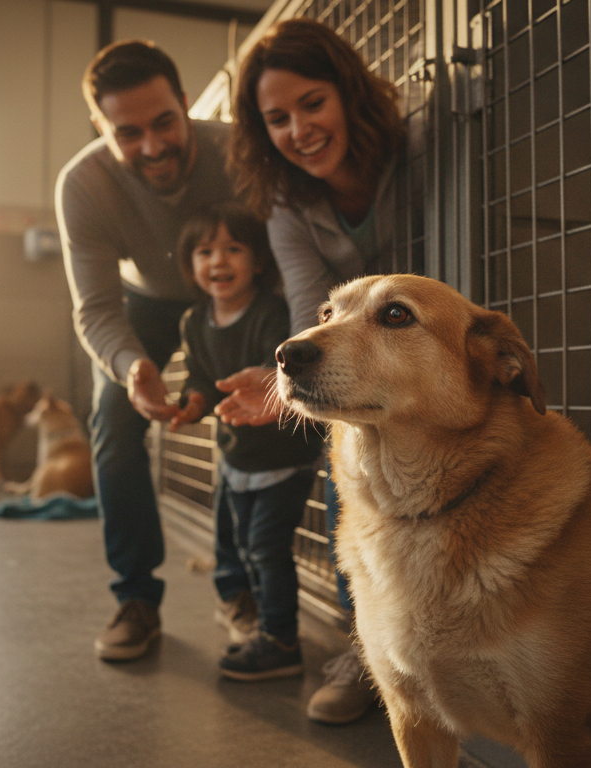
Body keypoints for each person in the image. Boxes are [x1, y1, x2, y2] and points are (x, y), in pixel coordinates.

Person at [220, 18, 409, 723]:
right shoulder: (287, 203)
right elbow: (309, 312)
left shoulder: (417, 147)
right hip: (368, 361)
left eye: (311, 103)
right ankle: (366, 652)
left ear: (348, 93)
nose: (298, 129)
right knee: (343, 445)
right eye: (276, 118)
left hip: (433, 348)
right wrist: (282, 386)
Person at [56, 39, 249, 662]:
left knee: (243, 426)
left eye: (165, 122)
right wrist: (132, 367)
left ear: (187, 105)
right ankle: (136, 599)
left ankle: (238, 590)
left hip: (236, 294)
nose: (153, 146)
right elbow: (96, 308)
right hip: (144, 304)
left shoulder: (239, 151)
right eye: (128, 132)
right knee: (112, 422)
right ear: (100, 128)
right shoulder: (83, 184)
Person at [168, 203, 324, 680]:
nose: (218, 261)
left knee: (264, 547)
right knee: (233, 541)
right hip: (235, 457)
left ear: (258, 261)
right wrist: (192, 402)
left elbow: (275, 376)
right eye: (205, 251)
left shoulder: (271, 313)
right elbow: (200, 374)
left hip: (281, 458)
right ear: (190, 264)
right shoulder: (194, 320)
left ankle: (280, 640)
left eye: (233, 249)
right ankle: (240, 606)